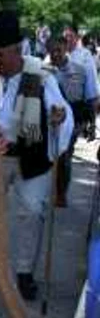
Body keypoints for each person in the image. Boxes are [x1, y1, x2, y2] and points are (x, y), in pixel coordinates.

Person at [0, 11, 73, 300]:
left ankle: (23, 272)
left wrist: (58, 117)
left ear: (16, 51)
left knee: (32, 211)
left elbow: (63, 112)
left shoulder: (40, 78)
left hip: (32, 154)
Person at [47, 36, 97, 207]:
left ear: (65, 49)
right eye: (51, 51)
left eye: (58, 50)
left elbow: (91, 98)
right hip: (50, 120)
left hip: (75, 119)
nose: (55, 54)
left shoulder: (81, 70)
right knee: (50, 154)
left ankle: (61, 193)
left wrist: (92, 126)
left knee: (64, 154)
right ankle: (50, 189)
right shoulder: (44, 71)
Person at [64, 25, 99, 140]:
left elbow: (91, 87)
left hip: (77, 106)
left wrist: (93, 124)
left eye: (71, 36)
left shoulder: (85, 55)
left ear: (77, 37)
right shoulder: (58, 53)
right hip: (60, 105)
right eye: (66, 36)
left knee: (69, 141)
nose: (68, 39)